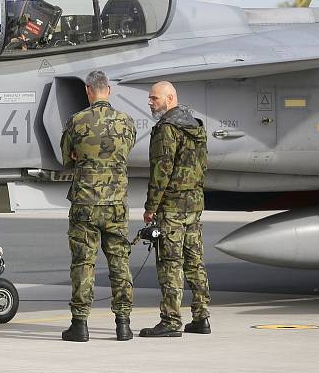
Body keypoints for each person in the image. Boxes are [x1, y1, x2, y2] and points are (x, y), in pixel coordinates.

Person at [60, 70, 137, 342]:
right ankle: (123, 324)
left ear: (89, 91)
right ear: (109, 91)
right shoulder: (126, 122)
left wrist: (79, 155)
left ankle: (80, 325)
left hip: (85, 203)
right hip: (116, 203)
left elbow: (66, 158)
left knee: (83, 262)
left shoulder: (77, 121)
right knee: (119, 262)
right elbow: (126, 151)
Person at [139, 81, 211, 338]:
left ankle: (170, 320)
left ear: (170, 99)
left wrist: (151, 207)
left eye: (154, 98)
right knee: (195, 261)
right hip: (194, 204)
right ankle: (201, 317)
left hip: (171, 207)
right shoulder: (195, 126)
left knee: (170, 263)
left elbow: (161, 171)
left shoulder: (166, 129)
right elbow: (203, 166)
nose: (150, 102)